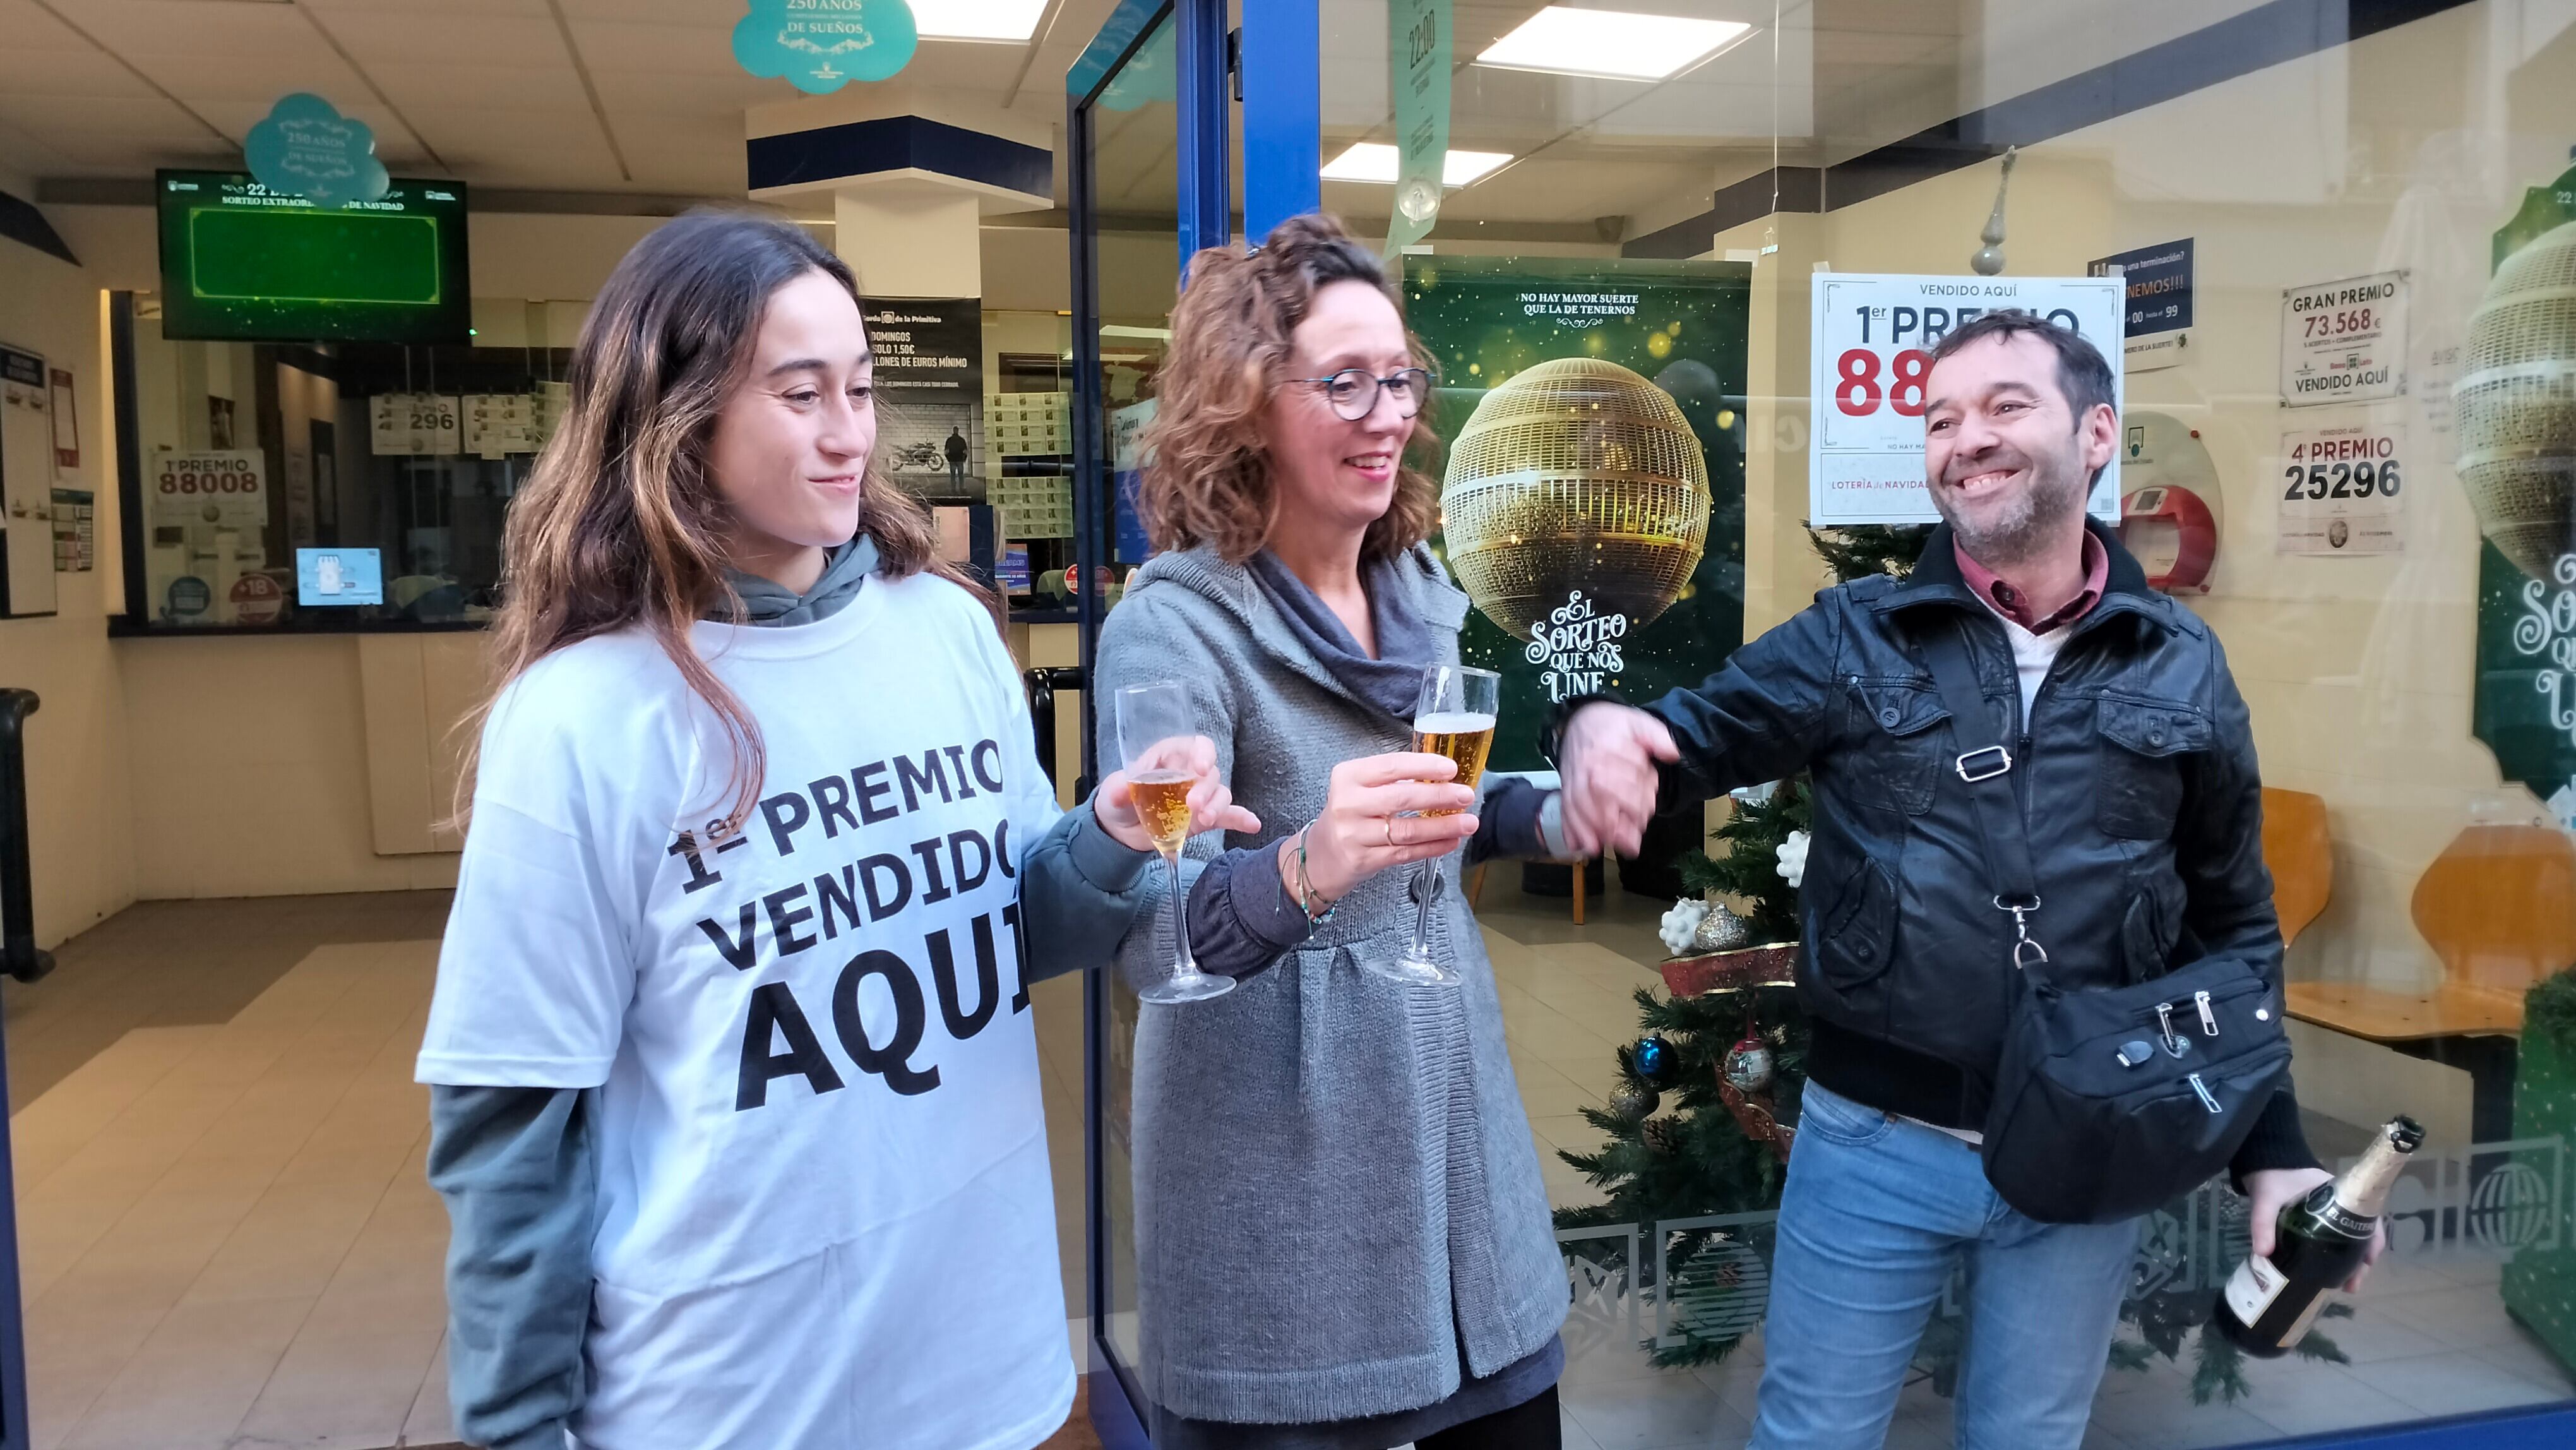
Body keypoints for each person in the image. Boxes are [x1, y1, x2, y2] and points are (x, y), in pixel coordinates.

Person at [415, 210, 1251, 1450]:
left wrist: (1107, 837)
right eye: (801, 392)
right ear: (676, 414)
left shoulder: (948, 630)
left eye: (860, 387)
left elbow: (1013, 929)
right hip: (724, 1395)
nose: (850, 431)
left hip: (980, 1360)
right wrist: (517, 1427)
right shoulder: (583, 714)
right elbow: (512, 1134)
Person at [1553, 310, 2373, 1449]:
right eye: (1940, 418)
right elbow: (1690, 734)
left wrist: (2274, 1150)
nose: (1964, 439)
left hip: (2091, 1142)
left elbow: (2230, 921)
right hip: (1871, 1143)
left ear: (2096, 434)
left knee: (2030, 1438)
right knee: (1811, 1438)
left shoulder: (2183, 663)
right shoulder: (1857, 635)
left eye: (2003, 407)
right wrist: (1598, 725)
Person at [1093, 213, 1574, 1449]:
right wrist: (1308, 862)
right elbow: (1152, 937)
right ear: (1251, 403)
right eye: (1342, 381)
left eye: (1399, 377)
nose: (1385, 411)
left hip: (1459, 1158)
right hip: (1282, 1195)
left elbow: (1439, 821)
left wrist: (1559, 804)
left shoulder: (1417, 594)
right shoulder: (1170, 630)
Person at [947, 423, 970, 491]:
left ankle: (953, 488)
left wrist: (949, 459)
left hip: (952, 460)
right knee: (961, 475)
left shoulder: (949, 440)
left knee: (953, 475)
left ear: (953, 431)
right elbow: (965, 451)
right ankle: (962, 487)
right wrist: (964, 459)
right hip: (960, 460)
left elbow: (946, 451)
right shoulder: (961, 440)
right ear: (958, 431)